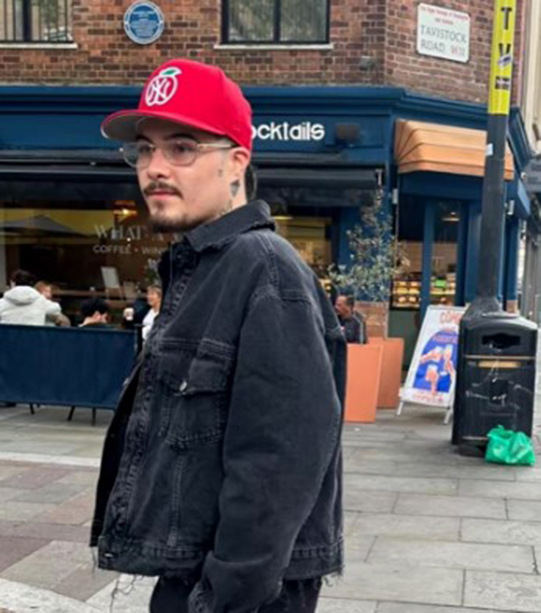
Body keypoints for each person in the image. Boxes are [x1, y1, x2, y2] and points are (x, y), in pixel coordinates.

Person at [90, 59, 345, 613]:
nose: (155, 167)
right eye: (145, 149)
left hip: (238, 591)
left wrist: (221, 597)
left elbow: (279, 463)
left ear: (236, 164)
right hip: (199, 572)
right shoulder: (200, 268)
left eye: (181, 148)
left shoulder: (264, 270)